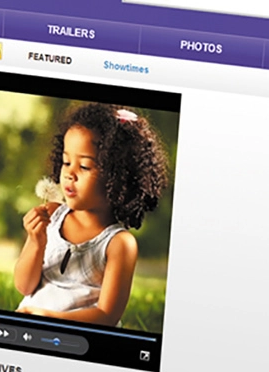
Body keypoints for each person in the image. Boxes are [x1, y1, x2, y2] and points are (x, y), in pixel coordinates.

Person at [14, 105, 170, 326]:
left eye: (85, 166)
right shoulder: (52, 216)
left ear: (117, 178)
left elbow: (107, 316)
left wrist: (51, 318)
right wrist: (36, 241)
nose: (70, 173)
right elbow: (24, 286)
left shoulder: (118, 244)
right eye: (66, 162)